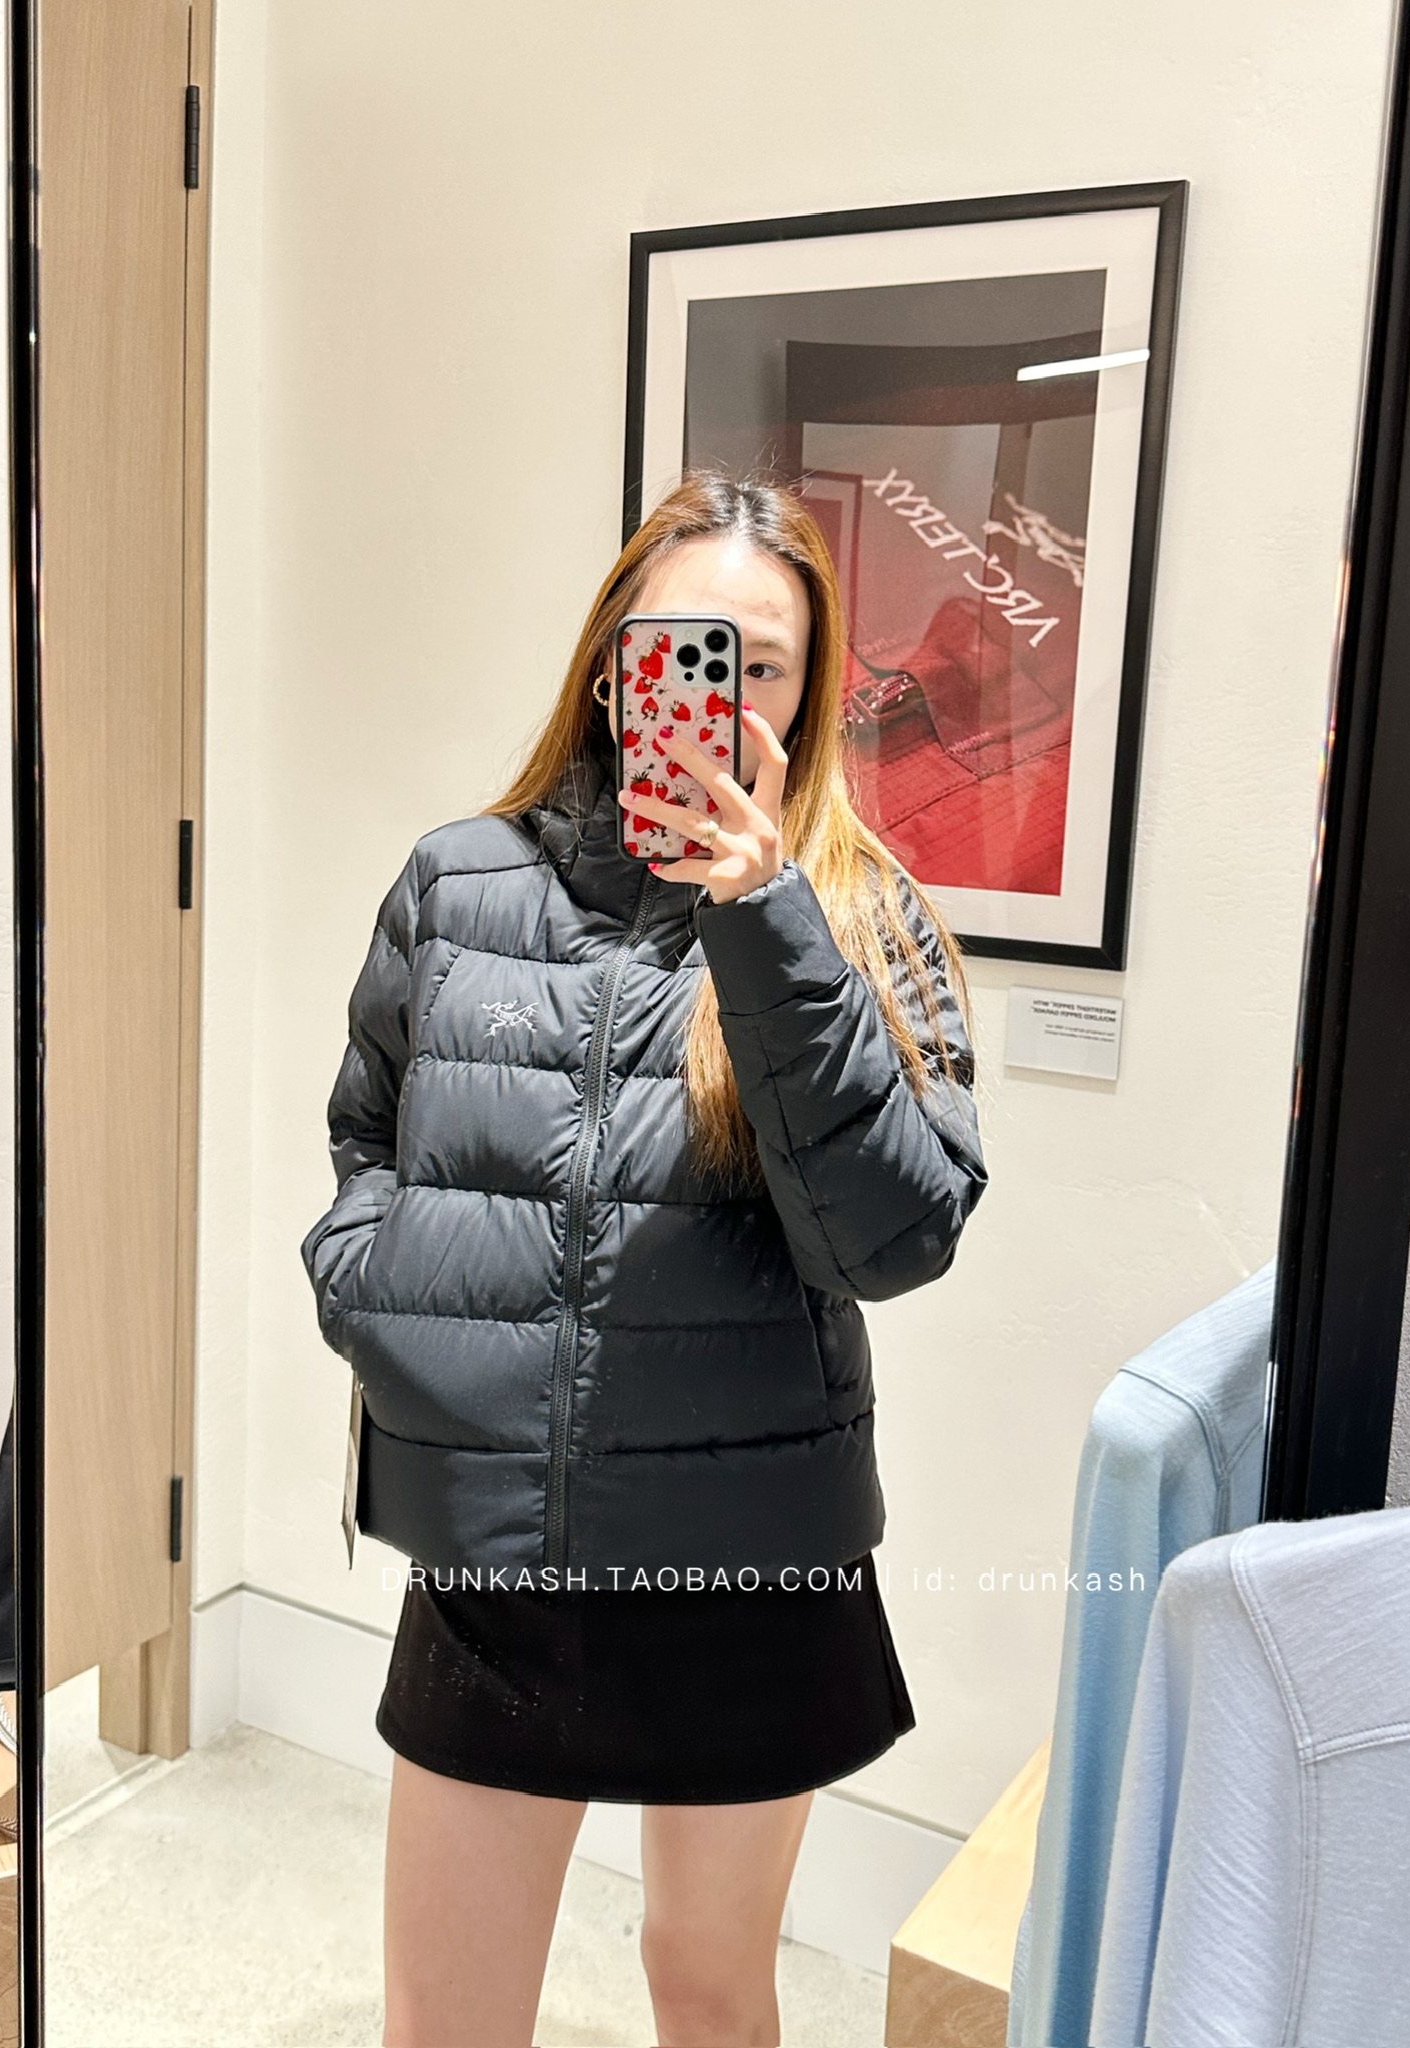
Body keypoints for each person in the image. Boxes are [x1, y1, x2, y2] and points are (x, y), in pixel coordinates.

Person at [299, 467, 990, 2047]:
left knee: (707, 1988)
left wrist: (766, 922)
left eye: (763, 663)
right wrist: (385, 1305)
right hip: (497, 1558)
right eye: (681, 647)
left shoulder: (857, 914)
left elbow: (894, 1237)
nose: (715, 691)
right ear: (613, 660)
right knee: (445, 2020)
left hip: (747, 1554)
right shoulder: (458, 881)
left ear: (808, 696)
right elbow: (363, 1141)